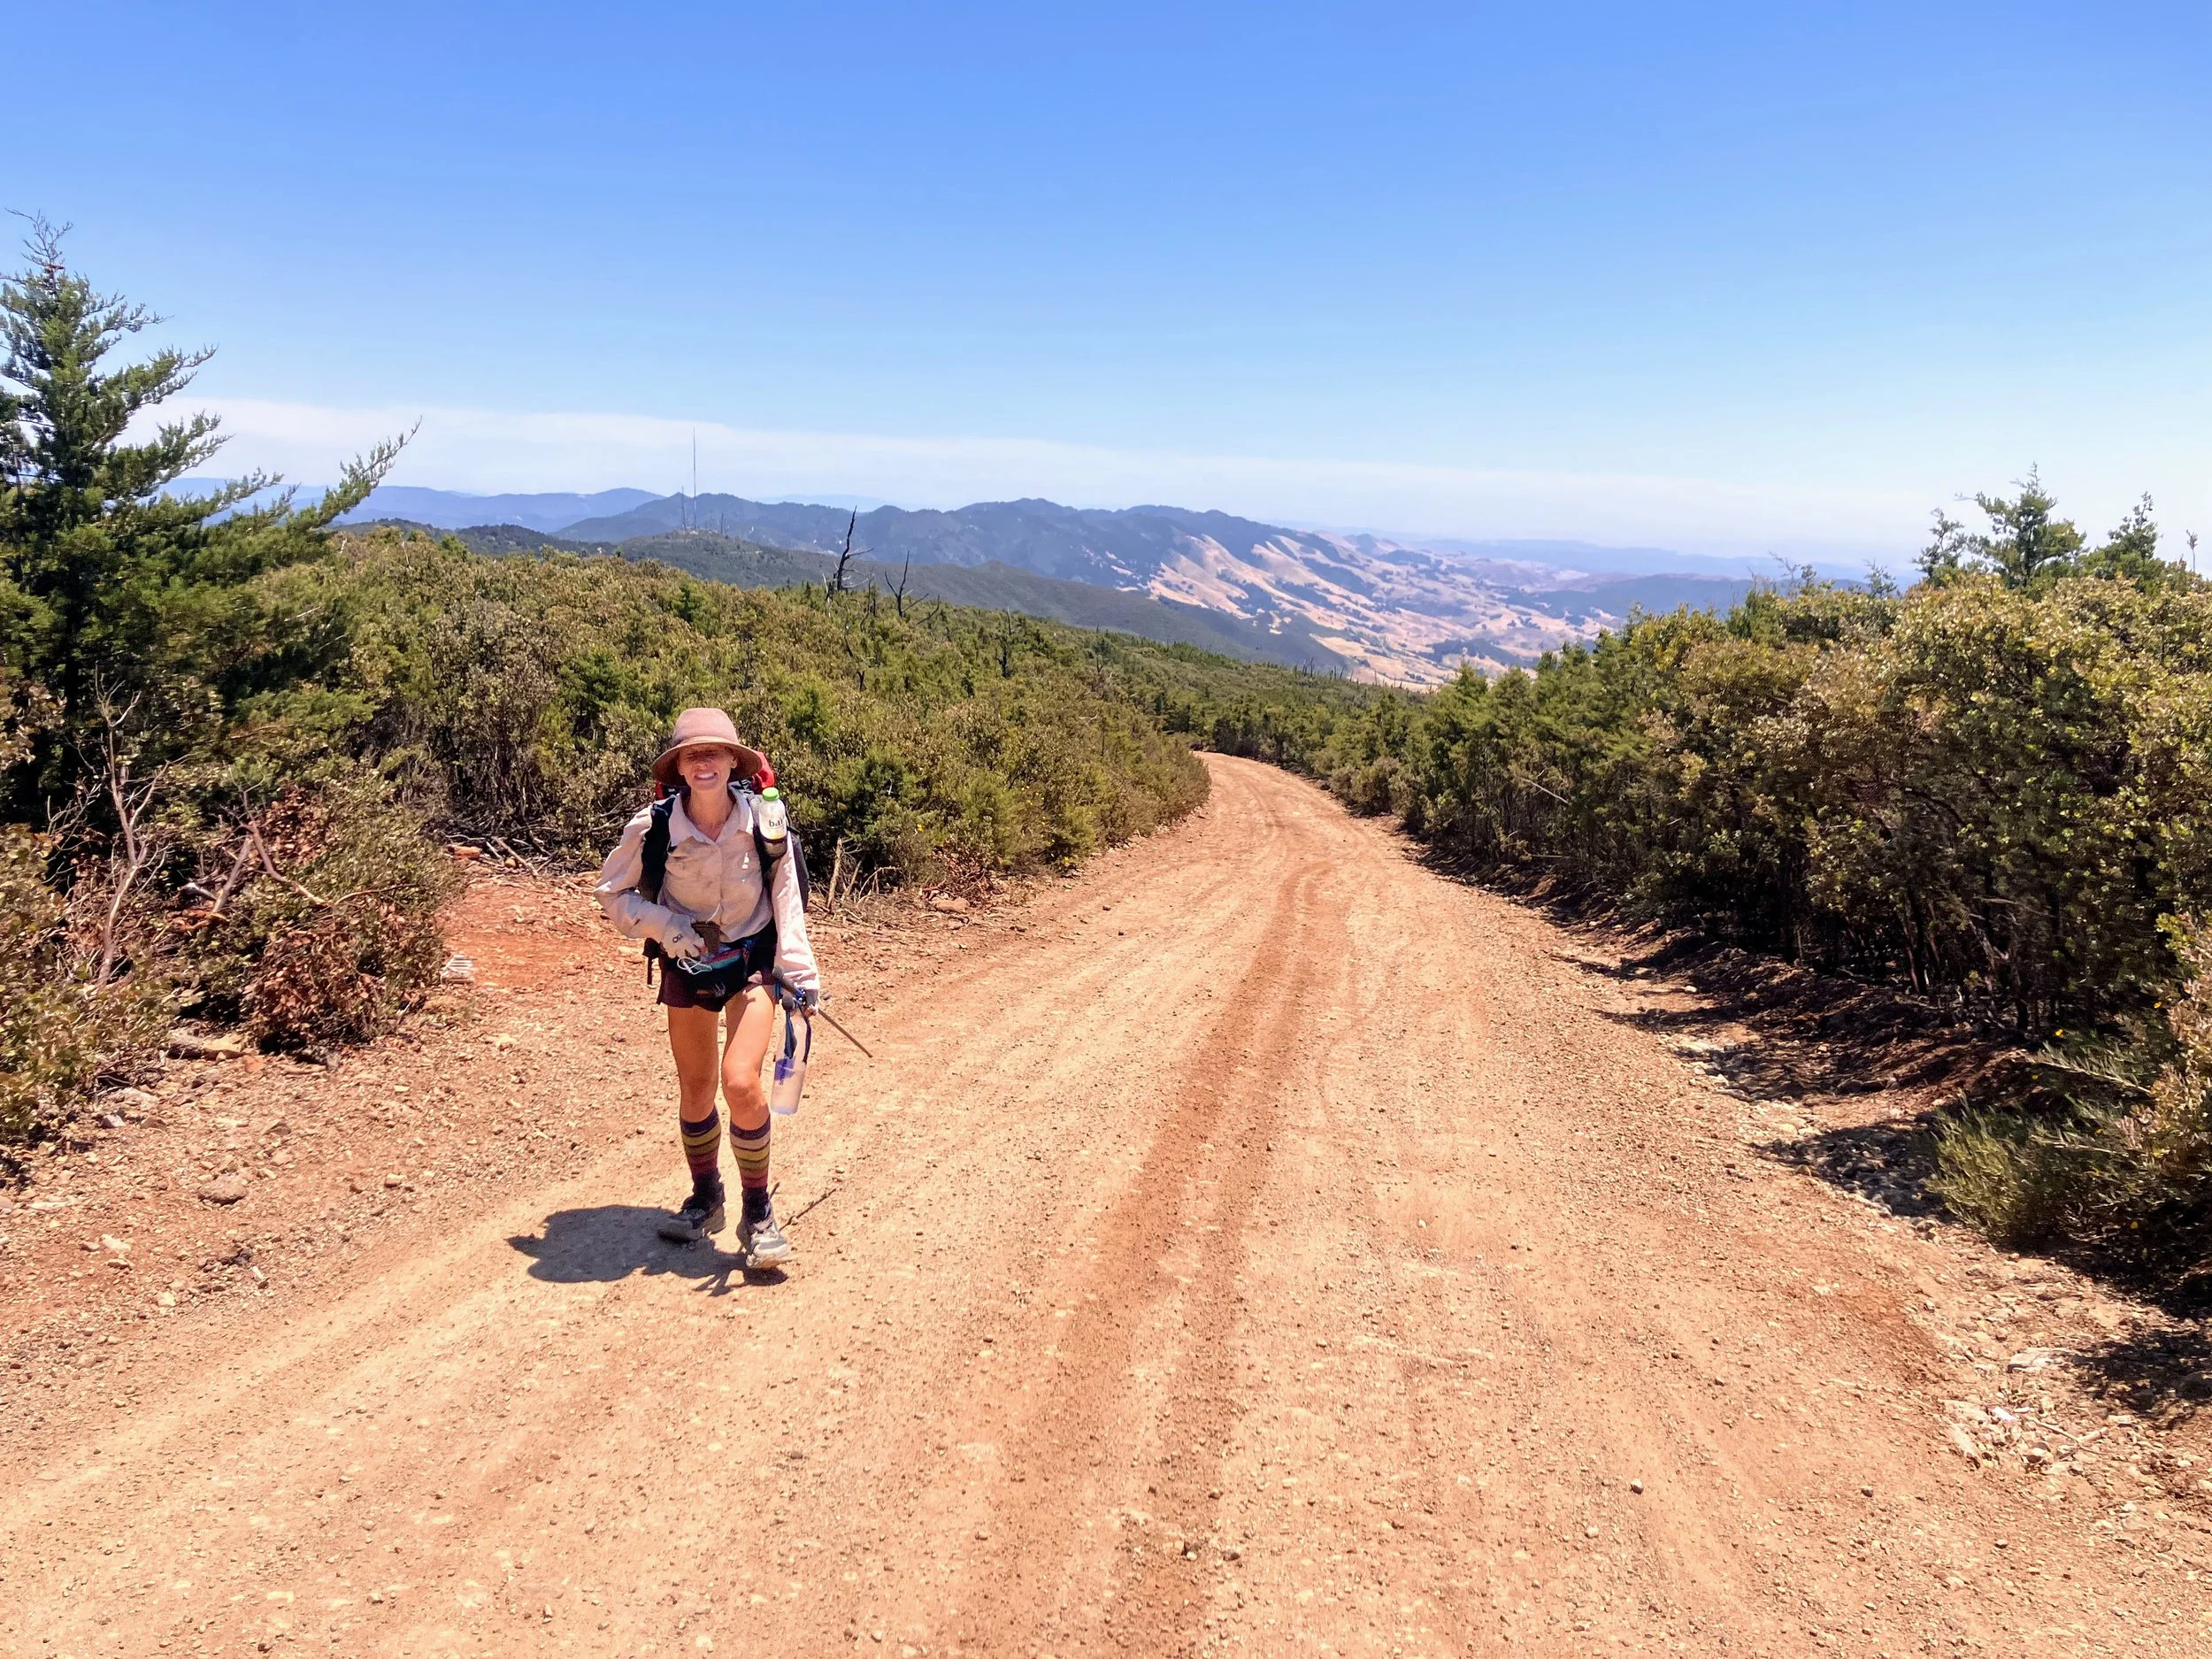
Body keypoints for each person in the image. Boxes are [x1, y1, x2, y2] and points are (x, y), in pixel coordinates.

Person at [595, 707, 821, 1263]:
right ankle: (706, 1198)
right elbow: (613, 893)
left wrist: (799, 972)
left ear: (732, 762)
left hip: (750, 963)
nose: (703, 763)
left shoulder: (765, 822)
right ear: (678, 767)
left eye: (713, 753)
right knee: (696, 1088)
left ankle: (757, 1211)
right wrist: (665, 926)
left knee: (740, 1082)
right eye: (692, 754)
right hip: (687, 965)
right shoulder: (653, 828)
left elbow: (786, 896)